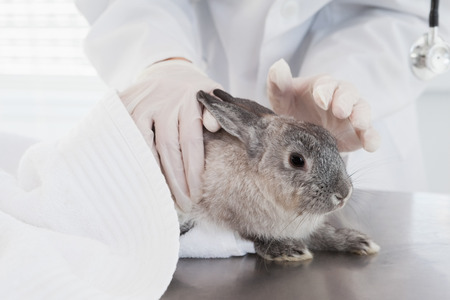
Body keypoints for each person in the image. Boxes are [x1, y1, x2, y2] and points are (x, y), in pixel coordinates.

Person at [75, 0, 447, 213]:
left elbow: (408, 10)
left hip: (363, 81)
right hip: (193, 86)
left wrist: (339, 84)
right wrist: (161, 56)